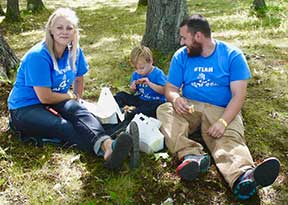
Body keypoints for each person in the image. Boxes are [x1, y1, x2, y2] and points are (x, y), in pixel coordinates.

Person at [157, 14, 280, 200]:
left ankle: (244, 176)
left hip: (222, 109)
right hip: (191, 107)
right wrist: (175, 99)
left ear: (198, 36)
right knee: (164, 110)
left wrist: (223, 121)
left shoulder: (232, 55)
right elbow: (171, 88)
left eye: (184, 38)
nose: (182, 43)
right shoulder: (181, 56)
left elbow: (239, 96)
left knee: (228, 139)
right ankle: (191, 156)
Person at [7, 8, 138, 170]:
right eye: (59, 27)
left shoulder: (75, 52)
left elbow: (79, 77)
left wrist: (77, 98)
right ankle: (106, 150)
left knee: (79, 111)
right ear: (51, 30)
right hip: (25, 108)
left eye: (69, 28)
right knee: (63, 126)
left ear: (75, 31)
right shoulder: (38, 56)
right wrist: (70, 95)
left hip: (57, 98)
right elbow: (45, 98)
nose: (64, 32)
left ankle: (108, 145)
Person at [114, 45, 167, 119]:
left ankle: (132, 114)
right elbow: (132, 92)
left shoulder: (158, 73)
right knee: (120, 95)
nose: (139, 71)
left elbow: (164, 91)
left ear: (151, 61)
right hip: (140, 99)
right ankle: (120, 110)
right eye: (136, 68)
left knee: (155, 107)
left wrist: (149, 84)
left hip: (154, 101)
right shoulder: (136, 74)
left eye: (142, 68)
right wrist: (133, 88)